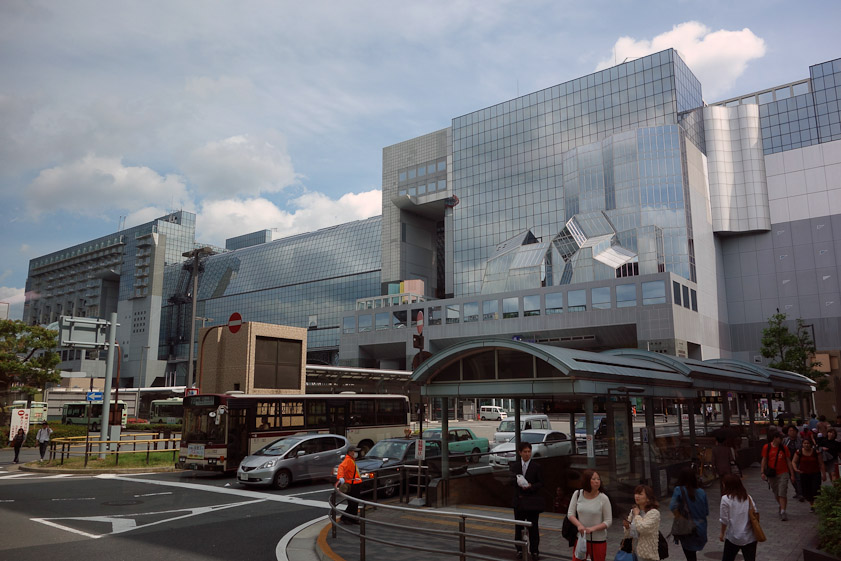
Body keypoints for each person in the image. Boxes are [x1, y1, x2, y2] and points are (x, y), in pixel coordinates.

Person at [509, 441, 545, 560]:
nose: (527, 454)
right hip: (519, 501)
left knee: (533, 527)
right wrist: (518, 483)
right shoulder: (515, 466)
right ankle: (519, 549)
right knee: (519, 527)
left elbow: (541, 483)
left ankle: (534, 550)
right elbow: (510, 481)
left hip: (532, 501)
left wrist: (531, 486)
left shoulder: (536, 467)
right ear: (520, 453)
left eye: (529, 451)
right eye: (525, 452)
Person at [567, 469, 612, 561]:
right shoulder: (577, 494)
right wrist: (579, 525)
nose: (597, 481)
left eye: (598, 479)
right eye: (594, 479)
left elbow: (608, 521)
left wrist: (592, 529)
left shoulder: (603, 498)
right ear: (586, 481)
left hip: (598, 540)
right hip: (581, 538)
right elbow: (570, 514)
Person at [670, 467, 709, 561]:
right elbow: (706, 512)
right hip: (701, 529)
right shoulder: (702, 492)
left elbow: (672, 507)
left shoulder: (679, 490)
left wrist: (680, 518)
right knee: (692, 556)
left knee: (690, 556)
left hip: (687, 530)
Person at [719, 473, 758, 561]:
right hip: (749, 536)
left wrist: (722, 533)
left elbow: (724, 520)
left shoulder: (725, 499)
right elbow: (755, 512)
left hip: (733, 536)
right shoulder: (748, 497)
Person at [760, 431, 794, 520]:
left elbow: (788, 461)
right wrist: (762, 472)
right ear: (775, 438)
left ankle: (783, 511)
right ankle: (781, 506)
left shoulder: (784, 448)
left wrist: (792, 474)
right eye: (780, 438)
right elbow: (764, 459)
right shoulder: (767, 447)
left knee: (782, 492)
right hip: (772, 473)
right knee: (776, 492)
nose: (781, 440)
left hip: (783, 472)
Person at [623, 484, 660, 561]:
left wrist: (637, 515)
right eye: (636, 493)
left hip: (646, 554)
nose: (637, 496)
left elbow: (643, 528)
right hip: (634, 551)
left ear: (648, 498)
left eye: (640, 494)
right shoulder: (633, 511)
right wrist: (627, 527)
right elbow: (628, 535)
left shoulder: (654, 513)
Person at [793, 438, 826, 512]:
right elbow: (794, 461)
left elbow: (821, 463)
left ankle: (816, 503)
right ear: (802, 444)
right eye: (805, 443)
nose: (806, 445)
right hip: (804, 474)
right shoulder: (799, 452)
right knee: (807, 491)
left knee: (815, 489)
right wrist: (795, 469)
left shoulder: (816, 452)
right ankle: (812, 505)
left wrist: (824, 474)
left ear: (811, 444)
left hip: (815, 474)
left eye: (808, 443)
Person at [334, 446, 363, 525]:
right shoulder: (348, 460)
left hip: (355, 483)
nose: (356, 453)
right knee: (352, 503)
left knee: (354, 503)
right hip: (352, 485)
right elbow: (341, 467)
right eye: (354, 451)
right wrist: (340, 477)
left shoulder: (351, 460)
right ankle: (345, 518)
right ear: (350, 452)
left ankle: (352, 518)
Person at [783, 424, 803, 501]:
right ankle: (797, 491)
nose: (792, 432)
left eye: (793, 431)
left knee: (798, 477)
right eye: (790, 431)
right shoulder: (785, 441)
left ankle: (801, 493)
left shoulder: (800, 441)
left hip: (798, 461)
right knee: (792, 477)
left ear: (796, 432)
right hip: (788, 461)